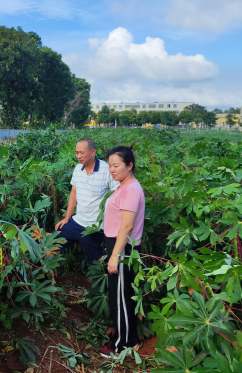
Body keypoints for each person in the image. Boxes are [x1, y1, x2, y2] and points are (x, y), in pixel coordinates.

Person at [99, 144, 145, 359]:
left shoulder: (131, 190)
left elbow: (126, 226)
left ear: (130, 165)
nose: (112, 169)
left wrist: (115, 256)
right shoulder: (125, 186)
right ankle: (129, 340)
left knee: (121, 299)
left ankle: (122, 346)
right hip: (118, 245)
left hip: (123, 248)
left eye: (116, 165)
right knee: (122, 296)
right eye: (110, 165)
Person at [55, 138, 119, 265]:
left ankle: (105, 280)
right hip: (77, 221)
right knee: (50, 243)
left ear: (93, 151)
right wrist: (67, 217)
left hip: (95, 227)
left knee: (99, 263)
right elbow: (74, 193)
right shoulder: (78, 169)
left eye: (82, 153)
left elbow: (117, 195)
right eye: (77, 152)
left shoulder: (107, 170)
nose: (79, 156)